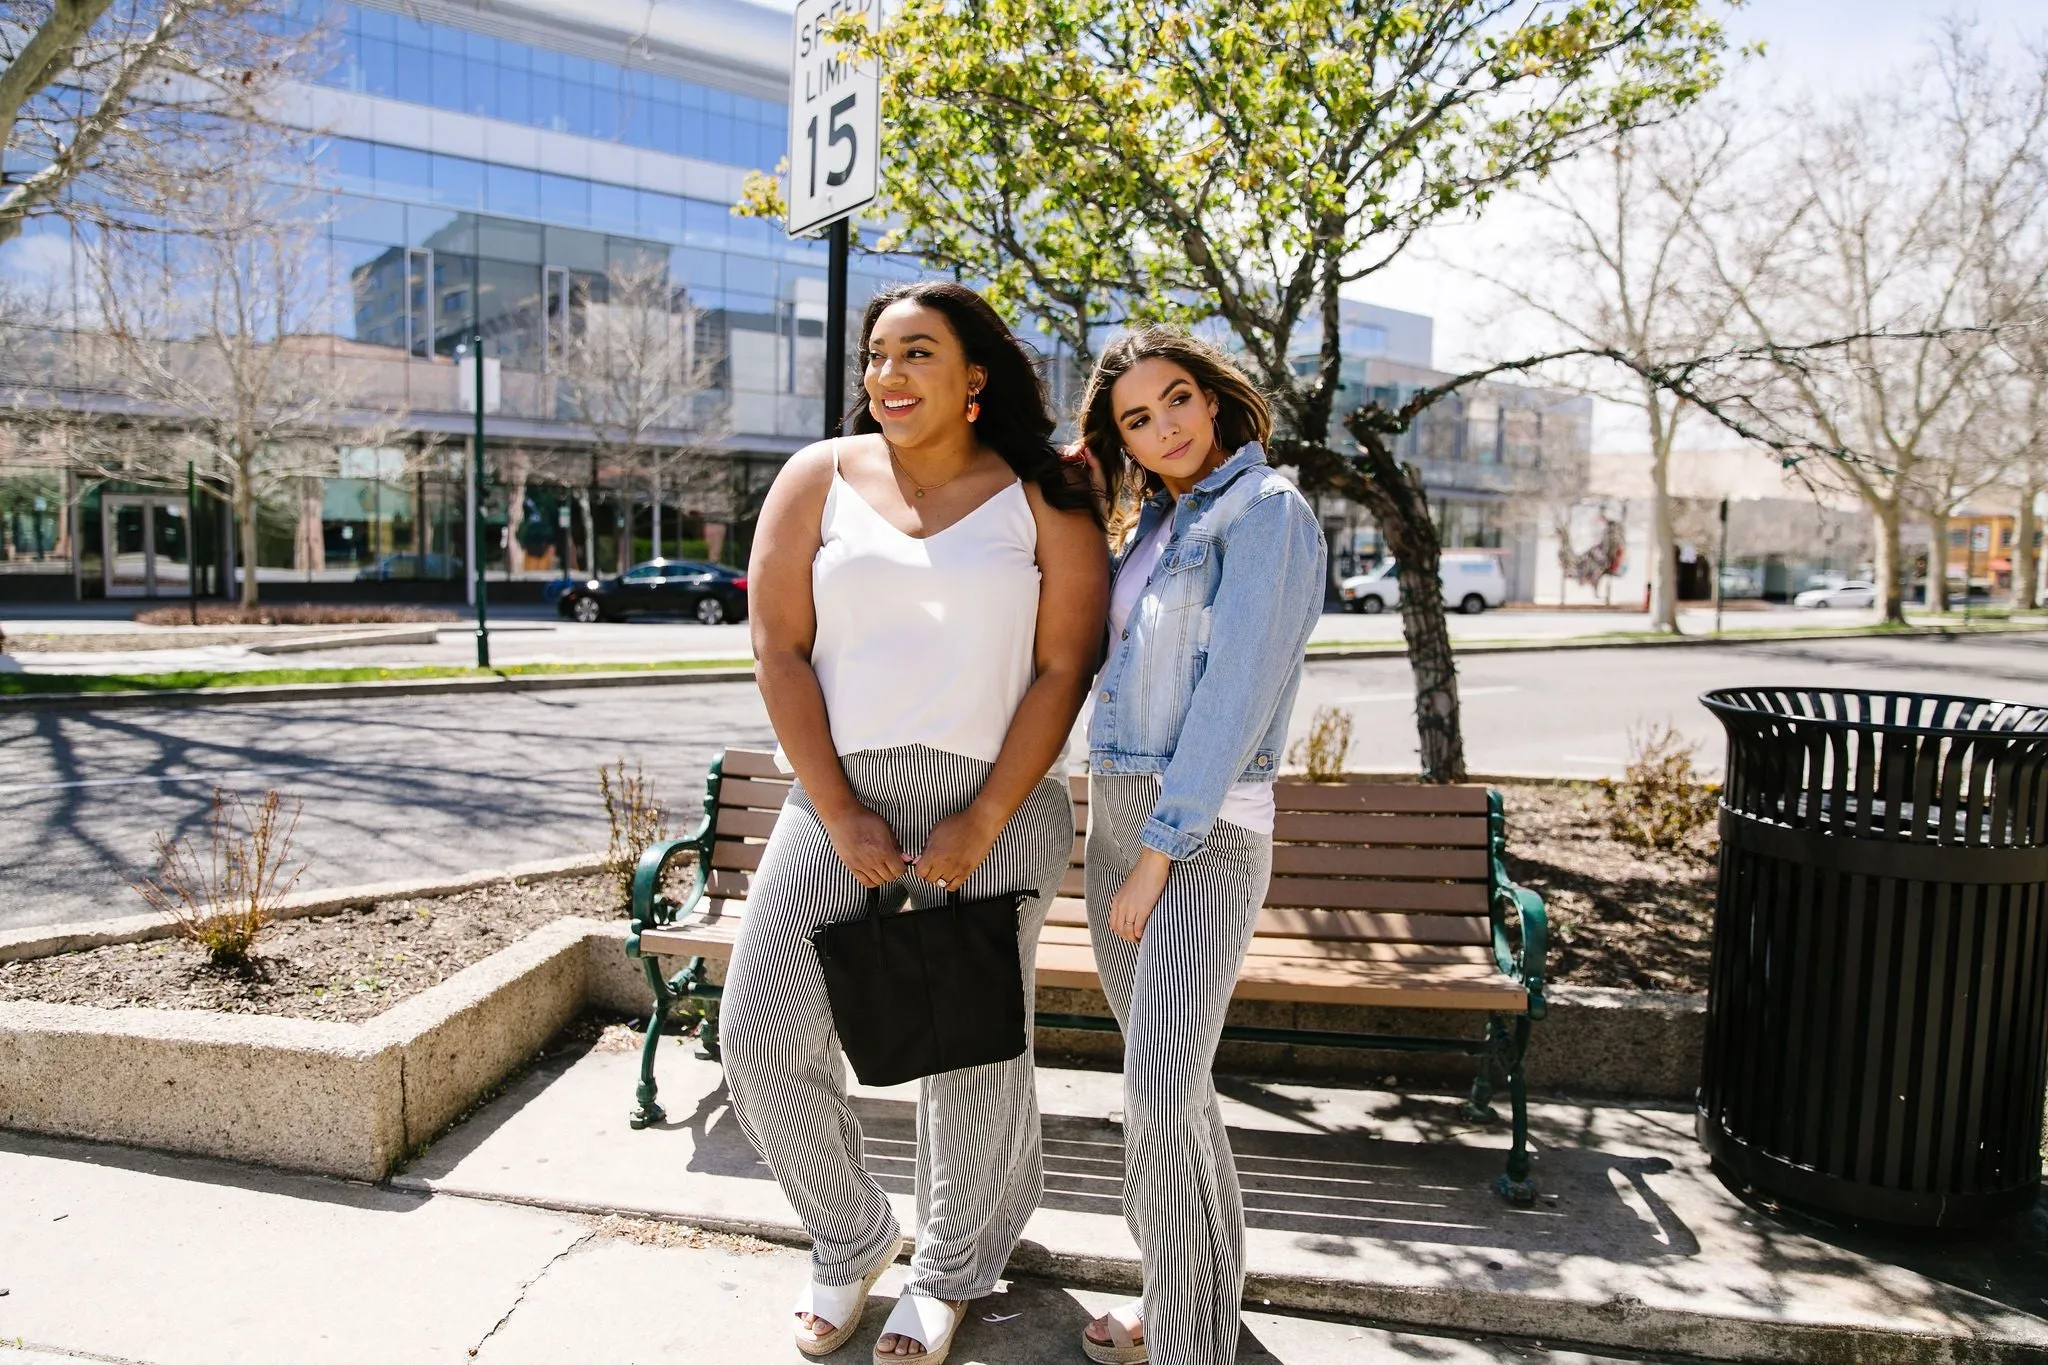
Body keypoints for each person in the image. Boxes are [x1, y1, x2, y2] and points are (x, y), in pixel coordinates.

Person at [722, 280, 1108, 1363]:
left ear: (973, 377)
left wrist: (983, 817)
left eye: (915, 355)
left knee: (971, 1054)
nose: (886, 377)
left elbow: (1064, 663)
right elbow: (778, 651)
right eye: (876, 356)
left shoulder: (1043, 494)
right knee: (756, 1036)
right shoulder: (814, 479)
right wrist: (838, 809)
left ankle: (949, 1272)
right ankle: (849, 1238)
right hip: (838, 798)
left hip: (998, 795)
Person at [1074, 326, 1325, 1365]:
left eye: (1175, 399)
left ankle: (1190, 1341)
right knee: (1166, 1094)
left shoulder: (1266, 514)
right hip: (1121, 820)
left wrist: (1158, 848)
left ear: (1212, 399)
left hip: (1201, 834)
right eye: (1136, 416)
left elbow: (1235, 695)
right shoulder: (1153, 527)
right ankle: (1176, 1291)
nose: (1163, 425)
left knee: (1160, 1088)